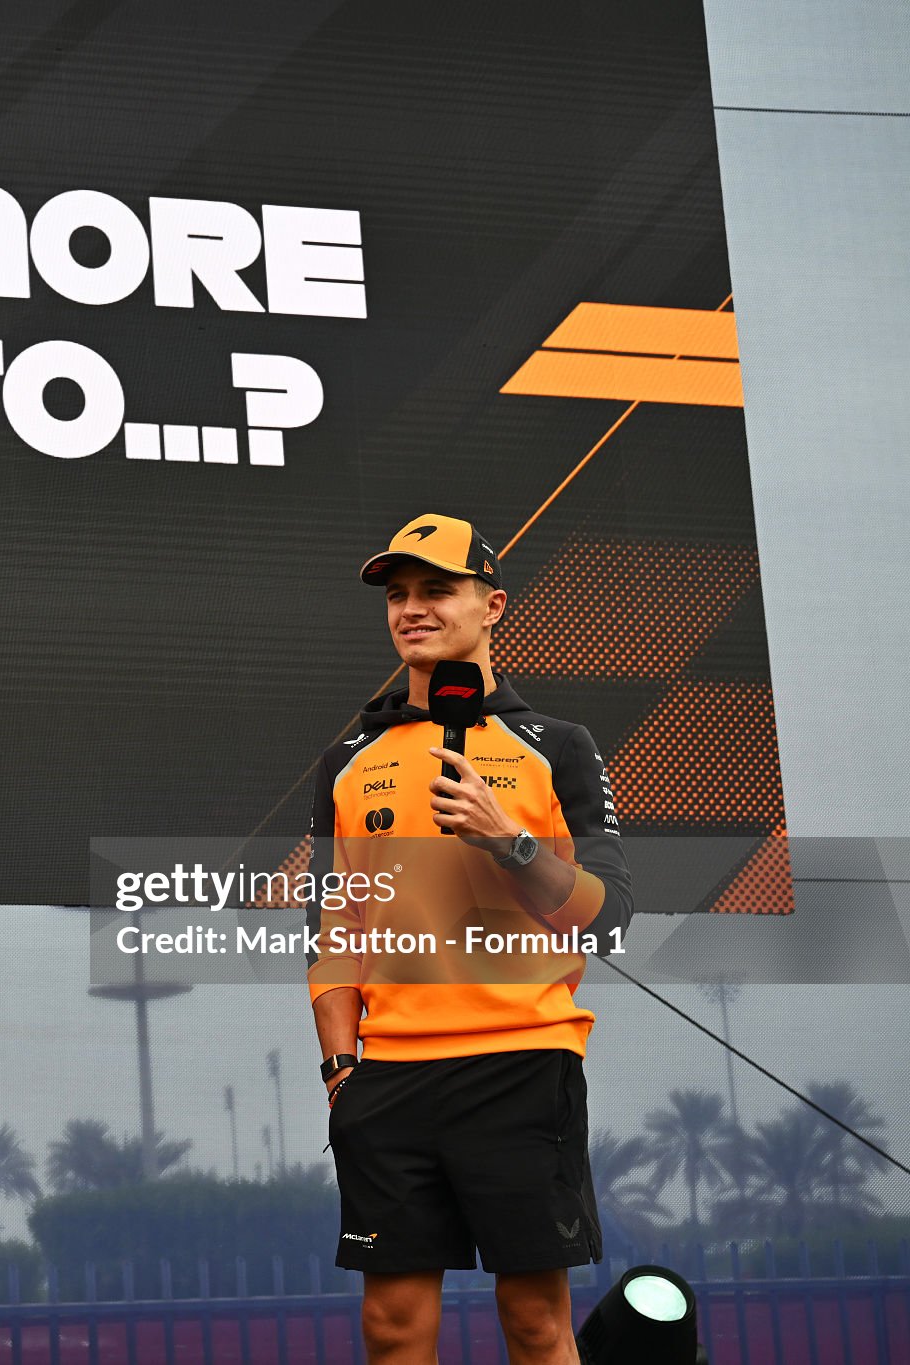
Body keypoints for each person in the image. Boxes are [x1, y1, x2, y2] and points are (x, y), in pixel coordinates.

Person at [307, 514, 631, 1365]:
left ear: (493, 605)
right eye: (398, 594)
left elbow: (608, 913)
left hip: (521, 1064)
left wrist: (509, 842)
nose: (411, 608)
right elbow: (333, 927)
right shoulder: (348, 757)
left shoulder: (557, 745)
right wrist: (341, 1068)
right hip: (389, 1077)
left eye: (436, 589)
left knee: (535, 1323)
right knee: (391, 1328)